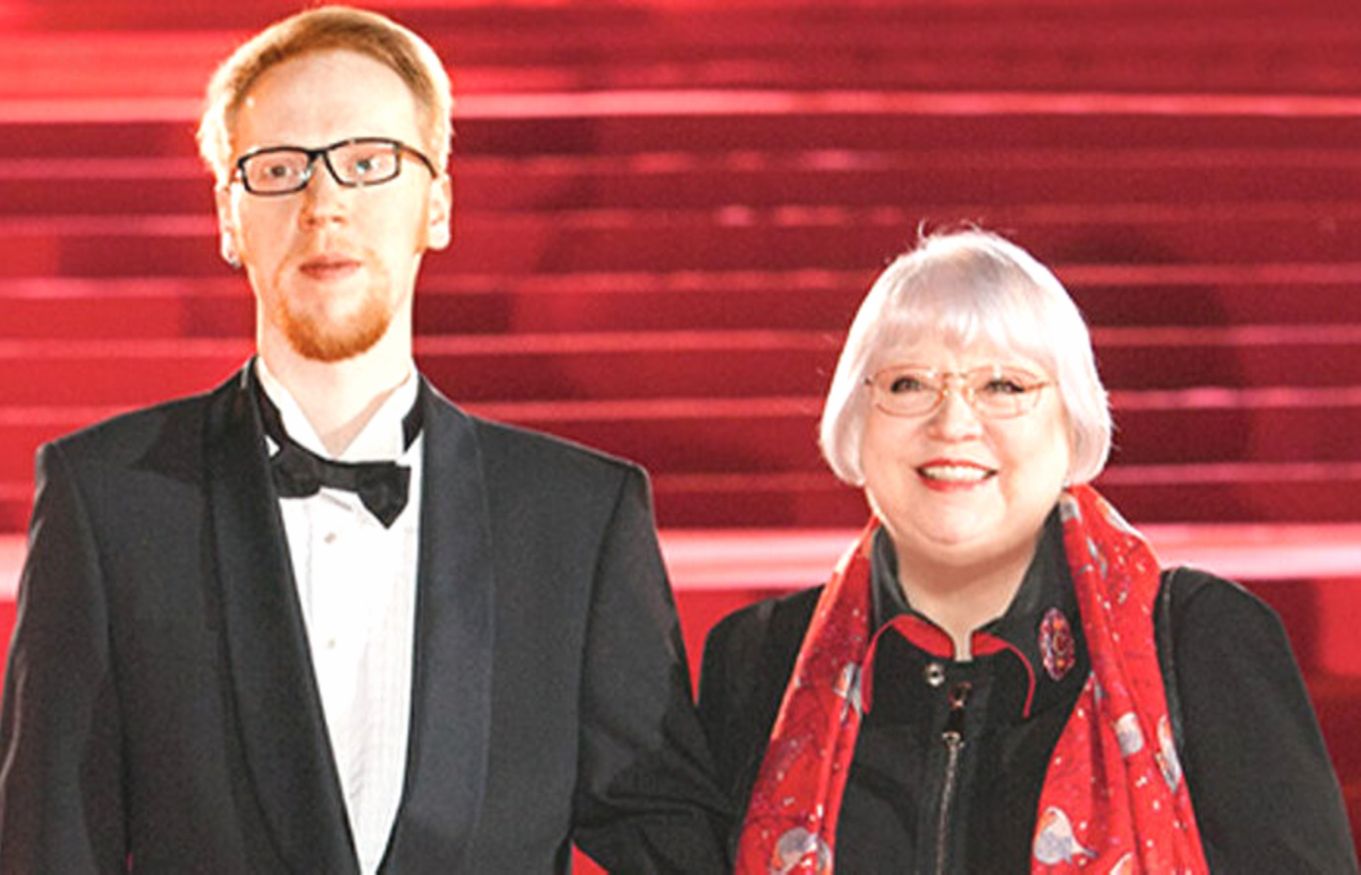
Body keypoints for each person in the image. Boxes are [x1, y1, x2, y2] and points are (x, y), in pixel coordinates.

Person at [0, 6, 730, 873]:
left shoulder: (576, 519)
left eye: (368, 162)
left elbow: (669, 842)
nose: (325, 204)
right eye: (280, 168)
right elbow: (47, 841)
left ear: (437, 204)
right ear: (228, 217)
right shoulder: (107, 500)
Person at [697, 228, 1358, 873]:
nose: (953, 423)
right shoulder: (759, 659)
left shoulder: (1200, 641)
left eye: (1004, 387)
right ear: (855, 418)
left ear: (1071, 426)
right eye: (909, 384)